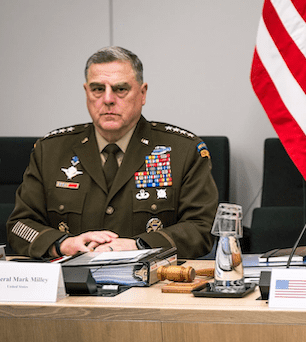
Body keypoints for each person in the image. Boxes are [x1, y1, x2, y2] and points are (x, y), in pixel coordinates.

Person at [7, 46, 218, 259]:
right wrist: (63, 244)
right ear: (86, 92)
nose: (108, 99)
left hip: (152, 284)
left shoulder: (182, 151)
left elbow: (202, 228)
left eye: (120, 89)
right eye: (98, 89)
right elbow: (19, 226)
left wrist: (139, 246)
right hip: (70, 285)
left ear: (142, 93)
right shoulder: (50, 151)